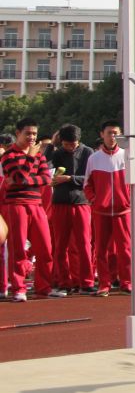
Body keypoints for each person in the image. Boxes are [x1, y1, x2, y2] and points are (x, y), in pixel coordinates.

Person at [1, 117, 64, 301]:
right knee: (18, 248)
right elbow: (18, 175)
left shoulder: (39, 155)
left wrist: (24, 180)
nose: (32, 137)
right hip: (16, 206)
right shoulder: (8, 155)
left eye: (34, 134)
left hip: (36, 205)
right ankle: (19, 288)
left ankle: (44, 287)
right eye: (28, 133)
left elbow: (45, 179)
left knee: (45, 247)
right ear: (17, 134)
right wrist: (29, 159)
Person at [83, 120, 131, 297]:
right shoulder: (94, 158)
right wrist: (95, 200)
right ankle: (105, 283)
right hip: (100, 211)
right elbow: (87, 184)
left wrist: (129, 201)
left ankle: (126, 282)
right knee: (101, 249)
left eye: (115, 133)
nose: (112, 136)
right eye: (109, 132)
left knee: (125, 249)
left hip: (122, 210)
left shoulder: (127, 155)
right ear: (102, 134)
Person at [48, 123, 94, 294]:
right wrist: (52, 144)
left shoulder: (88, 152)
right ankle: (63, 282)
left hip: (81, 202)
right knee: (60, 245)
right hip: (60, 202)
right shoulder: (58, 152)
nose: (69, 147)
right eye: (66, 144)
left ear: (78, 141)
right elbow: (44, 165)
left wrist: (69, 178)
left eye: (72, 144)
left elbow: (90, 178)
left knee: (83, 244)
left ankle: (86, 282)